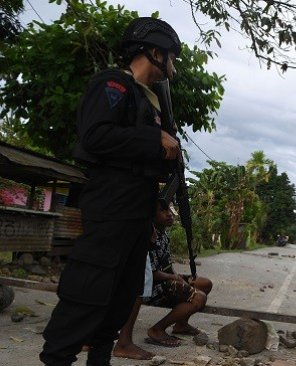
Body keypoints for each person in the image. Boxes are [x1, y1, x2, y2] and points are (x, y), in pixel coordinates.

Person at [40, 17, 182, 366]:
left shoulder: (151, 103)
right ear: (154, 52)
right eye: (171, 58)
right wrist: (155, 139)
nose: (174, 68)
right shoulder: (114, 84)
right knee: (86, 292)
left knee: (119, 301)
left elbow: (145, 157)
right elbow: (95, 137)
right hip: (110, 206)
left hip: (136, 213)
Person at [113, 202, 212, 358]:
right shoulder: (148, 236)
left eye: (169, 210)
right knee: (199, 297)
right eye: (163, 210)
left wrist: (178, 277)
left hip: (164, 278)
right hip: (153, 285)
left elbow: (166, 265)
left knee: (204, 283)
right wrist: (174, 278)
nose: (169, 214)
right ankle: (157, 329)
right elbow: (150, 273)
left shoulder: (163, 235)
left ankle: (181, 324)